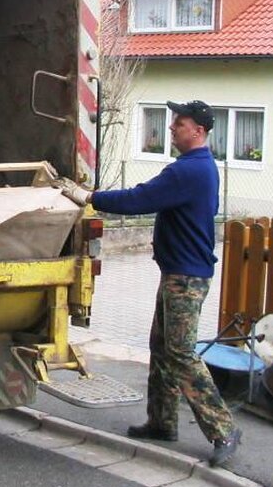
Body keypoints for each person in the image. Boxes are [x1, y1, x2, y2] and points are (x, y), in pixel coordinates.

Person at [59, 100, 242, 467]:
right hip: (178, 271)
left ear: (199, 132)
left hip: (186, 277)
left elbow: (139, 198)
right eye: (173, 122)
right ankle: (162, 422)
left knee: (179, 353)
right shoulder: (200, 167)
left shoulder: (188, 172)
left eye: (180, 123)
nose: (172, 128)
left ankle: (223, 429)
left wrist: (90, 197)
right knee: (161, 347)